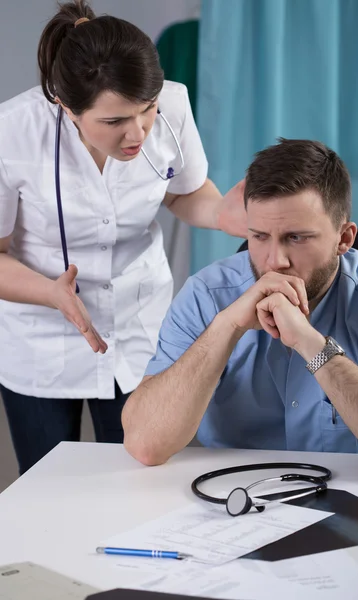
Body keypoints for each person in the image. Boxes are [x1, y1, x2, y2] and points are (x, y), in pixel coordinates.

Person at [0, 0, 247, 475]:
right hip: (39, 342)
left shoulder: (172, 103)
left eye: (146, 110)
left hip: (140, 327)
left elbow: (185, 194)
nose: (137, 133)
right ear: (66, 106)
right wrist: (50, 293)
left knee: (143, 481)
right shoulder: (15, 132)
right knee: (49, 493)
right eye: (114, 122)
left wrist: (223, 214)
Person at [122, 138, 358, 472]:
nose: (274, 261)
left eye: (296, 238)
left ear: (344, 238)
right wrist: (227, 327)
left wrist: (311, 345)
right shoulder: (206, 295)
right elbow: (145, 445)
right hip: (233, 497)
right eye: (259, 236)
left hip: (351, 500)